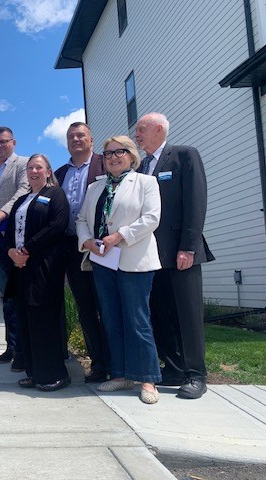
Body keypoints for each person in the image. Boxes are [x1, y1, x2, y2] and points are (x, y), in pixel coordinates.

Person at [76, 135, 162, 404]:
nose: (113, 157)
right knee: (111, 319)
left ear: (131, 155)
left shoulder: (146, 182)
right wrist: (86, 240)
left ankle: (147, 378)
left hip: (134, 260)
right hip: (103, 262)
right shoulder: (95, 187)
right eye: (109, 153)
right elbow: (81, 219)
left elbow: (151, 218)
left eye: (120, 151)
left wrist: (119, 236)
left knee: (137, 320)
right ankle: (120, 374)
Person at [135, 112, 215, 399]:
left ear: (159, 129)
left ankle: (196, 374)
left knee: (188, 314)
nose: (137, 135)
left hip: (181, 253)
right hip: (150, 257)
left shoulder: (183, 156)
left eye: (141, 129)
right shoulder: (141, 167)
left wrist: (189, 247)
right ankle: (174, 367)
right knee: (161, 313)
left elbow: (196, 202)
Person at [5, 154, 71, 391]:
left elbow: (57, 226)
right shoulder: (22, 199)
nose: (34, 171)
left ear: (48, 171)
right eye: (30, 167)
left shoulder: (56, 194)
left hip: (45, 266)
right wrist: (13, 252)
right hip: (21, 267)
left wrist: (27, 249)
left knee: (44, 318)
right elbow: (10, 230)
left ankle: (54, 374)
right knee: (26, 318)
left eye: (39, 167)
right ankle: (34, 372)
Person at [55, 122, 109, 383]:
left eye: (80, 135)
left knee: (108, 305)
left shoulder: (104, 164)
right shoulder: (60, 173)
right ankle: (98, 363)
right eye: (71, 136)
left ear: (91, 139)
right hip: (71, 248)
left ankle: (118, 362)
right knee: (85, 307)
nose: (75, 139)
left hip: (102, 247)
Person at [0, 126, 29, 371]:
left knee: (21, 295)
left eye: (4, 142)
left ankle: (23, 349)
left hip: (18, 239)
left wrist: (3, 211)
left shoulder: (23, 164)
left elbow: (24, 190)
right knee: (6, 297)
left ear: (13, 142)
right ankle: (11, 346)